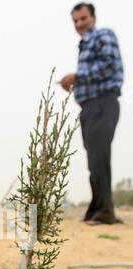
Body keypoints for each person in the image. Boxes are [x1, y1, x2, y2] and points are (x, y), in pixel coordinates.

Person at [59, 3, 124, 225]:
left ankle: (105, 211)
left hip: (103, 103)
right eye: (75, 21)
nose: (79, 24)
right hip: (89, 106)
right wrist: (75, 85)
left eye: (83, 19)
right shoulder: (84, 46)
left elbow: (109, 66)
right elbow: (93, 75)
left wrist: (77, 77)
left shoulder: (103, 36)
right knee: (94, 160)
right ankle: (99, 208)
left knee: (98, 157)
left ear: (93, 18)